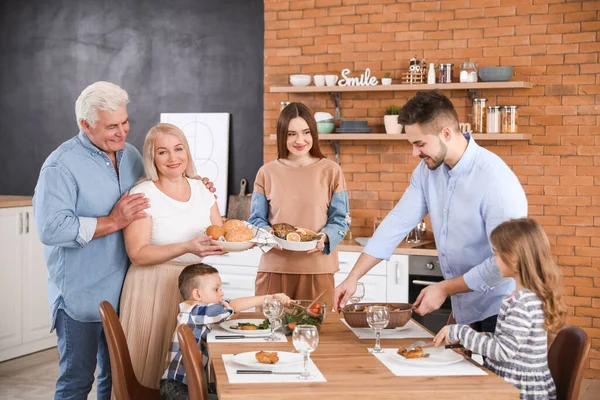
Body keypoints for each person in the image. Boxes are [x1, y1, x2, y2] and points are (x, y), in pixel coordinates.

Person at [334, 90, 527, 332]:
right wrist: (353, 277)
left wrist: (445, 288)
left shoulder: (495, 181)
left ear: (445, 133)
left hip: (501, 311)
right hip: (464, 308)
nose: (415, 153)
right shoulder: (427, 172)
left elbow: (509, 260)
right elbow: (397, 222)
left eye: (420, 144)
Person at [33, 81, 151, 399]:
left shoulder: (132, 156)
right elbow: (51, 229)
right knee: (77, 381)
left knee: (116, 379)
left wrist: (194, 184)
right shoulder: (60, 166)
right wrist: (113, 221)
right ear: (85, 125)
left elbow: (155, 193)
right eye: (112, 126)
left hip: (124, 295)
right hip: (79, 300)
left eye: (125, 122)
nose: (122, 132)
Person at [119, 123, 225, 389]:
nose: (173, 158)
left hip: (195, 290)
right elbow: (138, 254)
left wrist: (223, 244)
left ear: (187, 152)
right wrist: (186, 246)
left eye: (178, 149)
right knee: (150, 371)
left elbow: (218, 233)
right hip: (152, 288)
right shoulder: (143, 194)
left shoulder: (202, 190)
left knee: (188, 373)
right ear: (152, 158)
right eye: (162, 152)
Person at [434, 218, 566, 400]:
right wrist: (481, 337)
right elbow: (509, 343)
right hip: (513, 384)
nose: (494, 260)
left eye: (496, 254)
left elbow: (503, 351)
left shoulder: (523, 303)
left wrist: (461, 332)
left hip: (519, 392)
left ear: (513, 257)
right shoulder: (523, 296)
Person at [248, 102, 350, 308]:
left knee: (316, 335)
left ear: (314, 133)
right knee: (270, 334)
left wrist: (325, 237)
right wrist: (267, 233)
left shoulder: (332, 171)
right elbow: (255, 219)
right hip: (274, 270)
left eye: (305, 132)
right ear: (282, 136)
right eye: (291, 134)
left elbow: (341, 219)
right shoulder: (266, 172)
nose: (300, 140)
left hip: (318, 270)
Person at [160, 263, 291, 400]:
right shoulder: (194, 312)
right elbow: (231, 306)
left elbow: (231, 304)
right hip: (176, 389)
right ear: (197, 294)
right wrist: (267, 298)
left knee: (232, 387)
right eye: (216, 289)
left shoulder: (200, 311)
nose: (221, 293)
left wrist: (267, 298)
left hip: (188, 384)